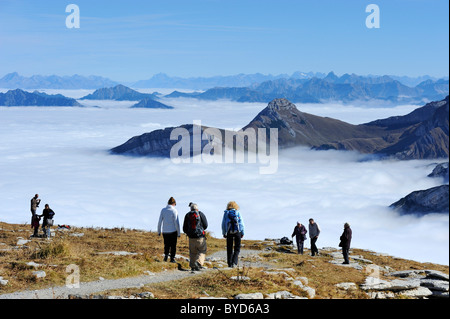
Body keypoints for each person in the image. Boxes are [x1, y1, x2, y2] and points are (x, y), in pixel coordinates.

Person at [183, 202, 208, 271]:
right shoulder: (200, 214)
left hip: (191, 237)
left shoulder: (187, 215)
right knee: (202, 250)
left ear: (190, 209)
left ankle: (192, 266)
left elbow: (184, 228)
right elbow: (205, 225)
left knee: (192, 252)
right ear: (197, 208)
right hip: (200, 237)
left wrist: (188, 232)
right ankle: (198, 263)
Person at [221, 201, 245, 268]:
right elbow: (241, 224)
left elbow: (223, 224)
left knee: (229, 248)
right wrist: (242, 232)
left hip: (229, 232)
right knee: (237, 248)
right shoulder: (237, 213)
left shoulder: (226, 213)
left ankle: (229, 263)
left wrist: (224, 233)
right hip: (237, 232)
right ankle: (234, 262)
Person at [157, 197, 180, 263]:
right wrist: (178, 233)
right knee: (173, 245)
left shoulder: (163, 210)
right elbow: (176, 222)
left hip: (165, 231)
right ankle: (172, 258)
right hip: (173, 231)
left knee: (166, 244)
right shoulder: (174, 210)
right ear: (174, 203)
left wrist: (159, 231)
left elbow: (160, 221)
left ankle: (166, 257)